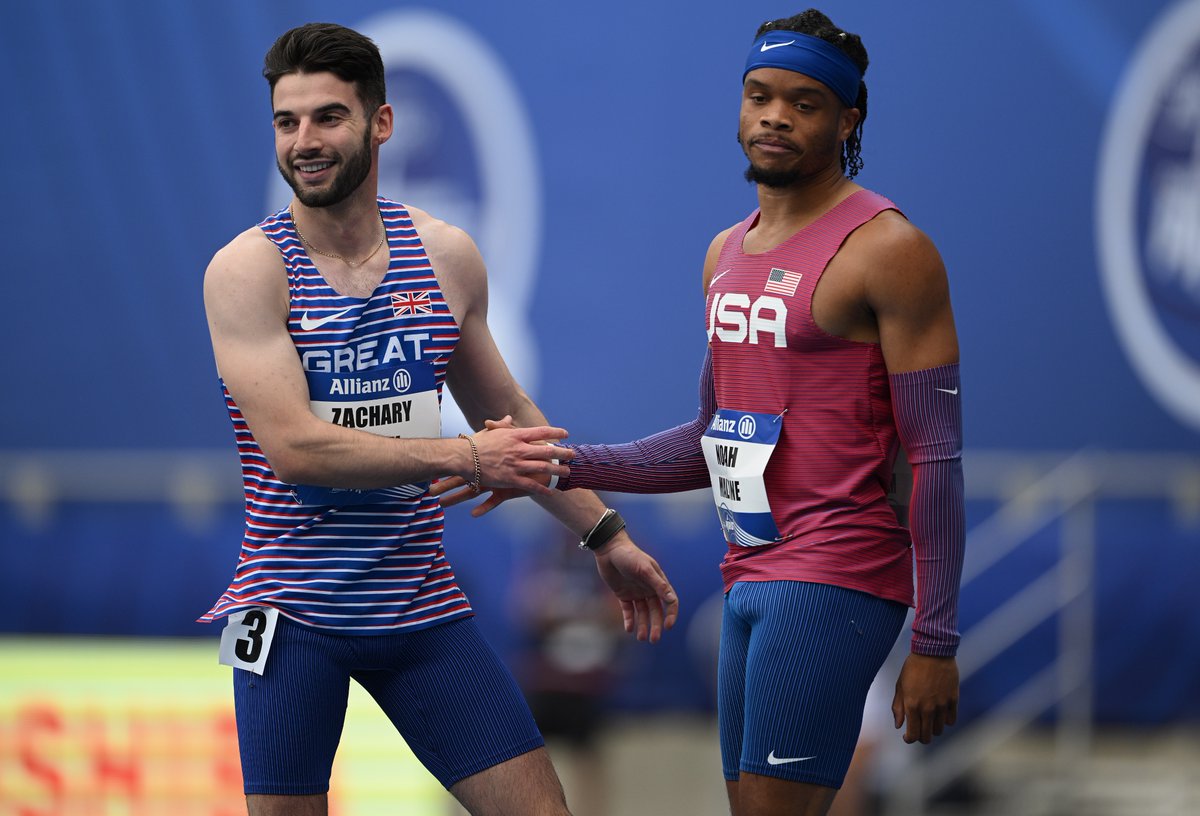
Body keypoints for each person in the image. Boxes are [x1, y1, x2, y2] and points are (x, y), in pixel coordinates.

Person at [440, 9, 964, 816]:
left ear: (848, 117)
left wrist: (935, 640)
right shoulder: (728, 252)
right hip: (748, 575)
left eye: (805, 102)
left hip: (836, 575)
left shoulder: (890, 251)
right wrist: (557, 466)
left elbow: (936, 458)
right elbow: (710, 441)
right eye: (759, 95)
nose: (776, 117)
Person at [198, 22, 677, 816]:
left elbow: (511, 417)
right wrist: (463, 458)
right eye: (287, 122)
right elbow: (295, 450)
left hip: (417, 605)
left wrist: (605, 535)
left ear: (380, 124)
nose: (304, 142)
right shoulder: (248, 269)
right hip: (290, 614)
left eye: (328, 118)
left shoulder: (444, 255)